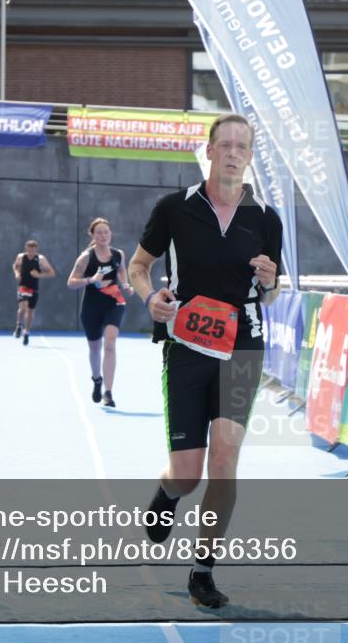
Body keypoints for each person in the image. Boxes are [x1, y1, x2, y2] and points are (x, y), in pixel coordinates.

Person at [127, 113, 283, 609]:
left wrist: (270, 280)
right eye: (226, 144)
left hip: (243, 346)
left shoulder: (265, 219)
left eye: (243, 146)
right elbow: (138, 266)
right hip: (189, 346)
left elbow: (273, 293)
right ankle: (168, 493)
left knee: (224, 460)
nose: (234, 152)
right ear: (210, 151)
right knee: (190, 472)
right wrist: (150, 297)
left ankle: (202, 569)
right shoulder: (174, 208)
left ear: (249, 156)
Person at [67, 218, 133, 407]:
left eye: (106, 232)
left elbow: (121, 270)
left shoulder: (118, 254)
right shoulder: (86, 257)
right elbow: (71, 282)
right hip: (92, 305)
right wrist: (91, 280)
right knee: (95, 347)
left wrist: (126, 284)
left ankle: (108, 392)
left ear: (110, 234)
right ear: (93, 235)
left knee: (110, 343)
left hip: (114, 302)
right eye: (99, 233)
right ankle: (97, 380)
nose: (103, 235)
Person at [12, 240, 56, 346]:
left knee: (30, 312)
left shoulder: (40, 259)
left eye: (33, 249)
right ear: (26, 249)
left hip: (34, 288)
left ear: (36, 249)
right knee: (22, 308)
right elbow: (15, 265)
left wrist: (39, 275)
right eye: (29, 249)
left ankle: (26, 332)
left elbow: (52, 273)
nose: (30, 252)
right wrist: (17, 273)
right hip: (23, 286)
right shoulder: (21, 257)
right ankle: (18, 326)